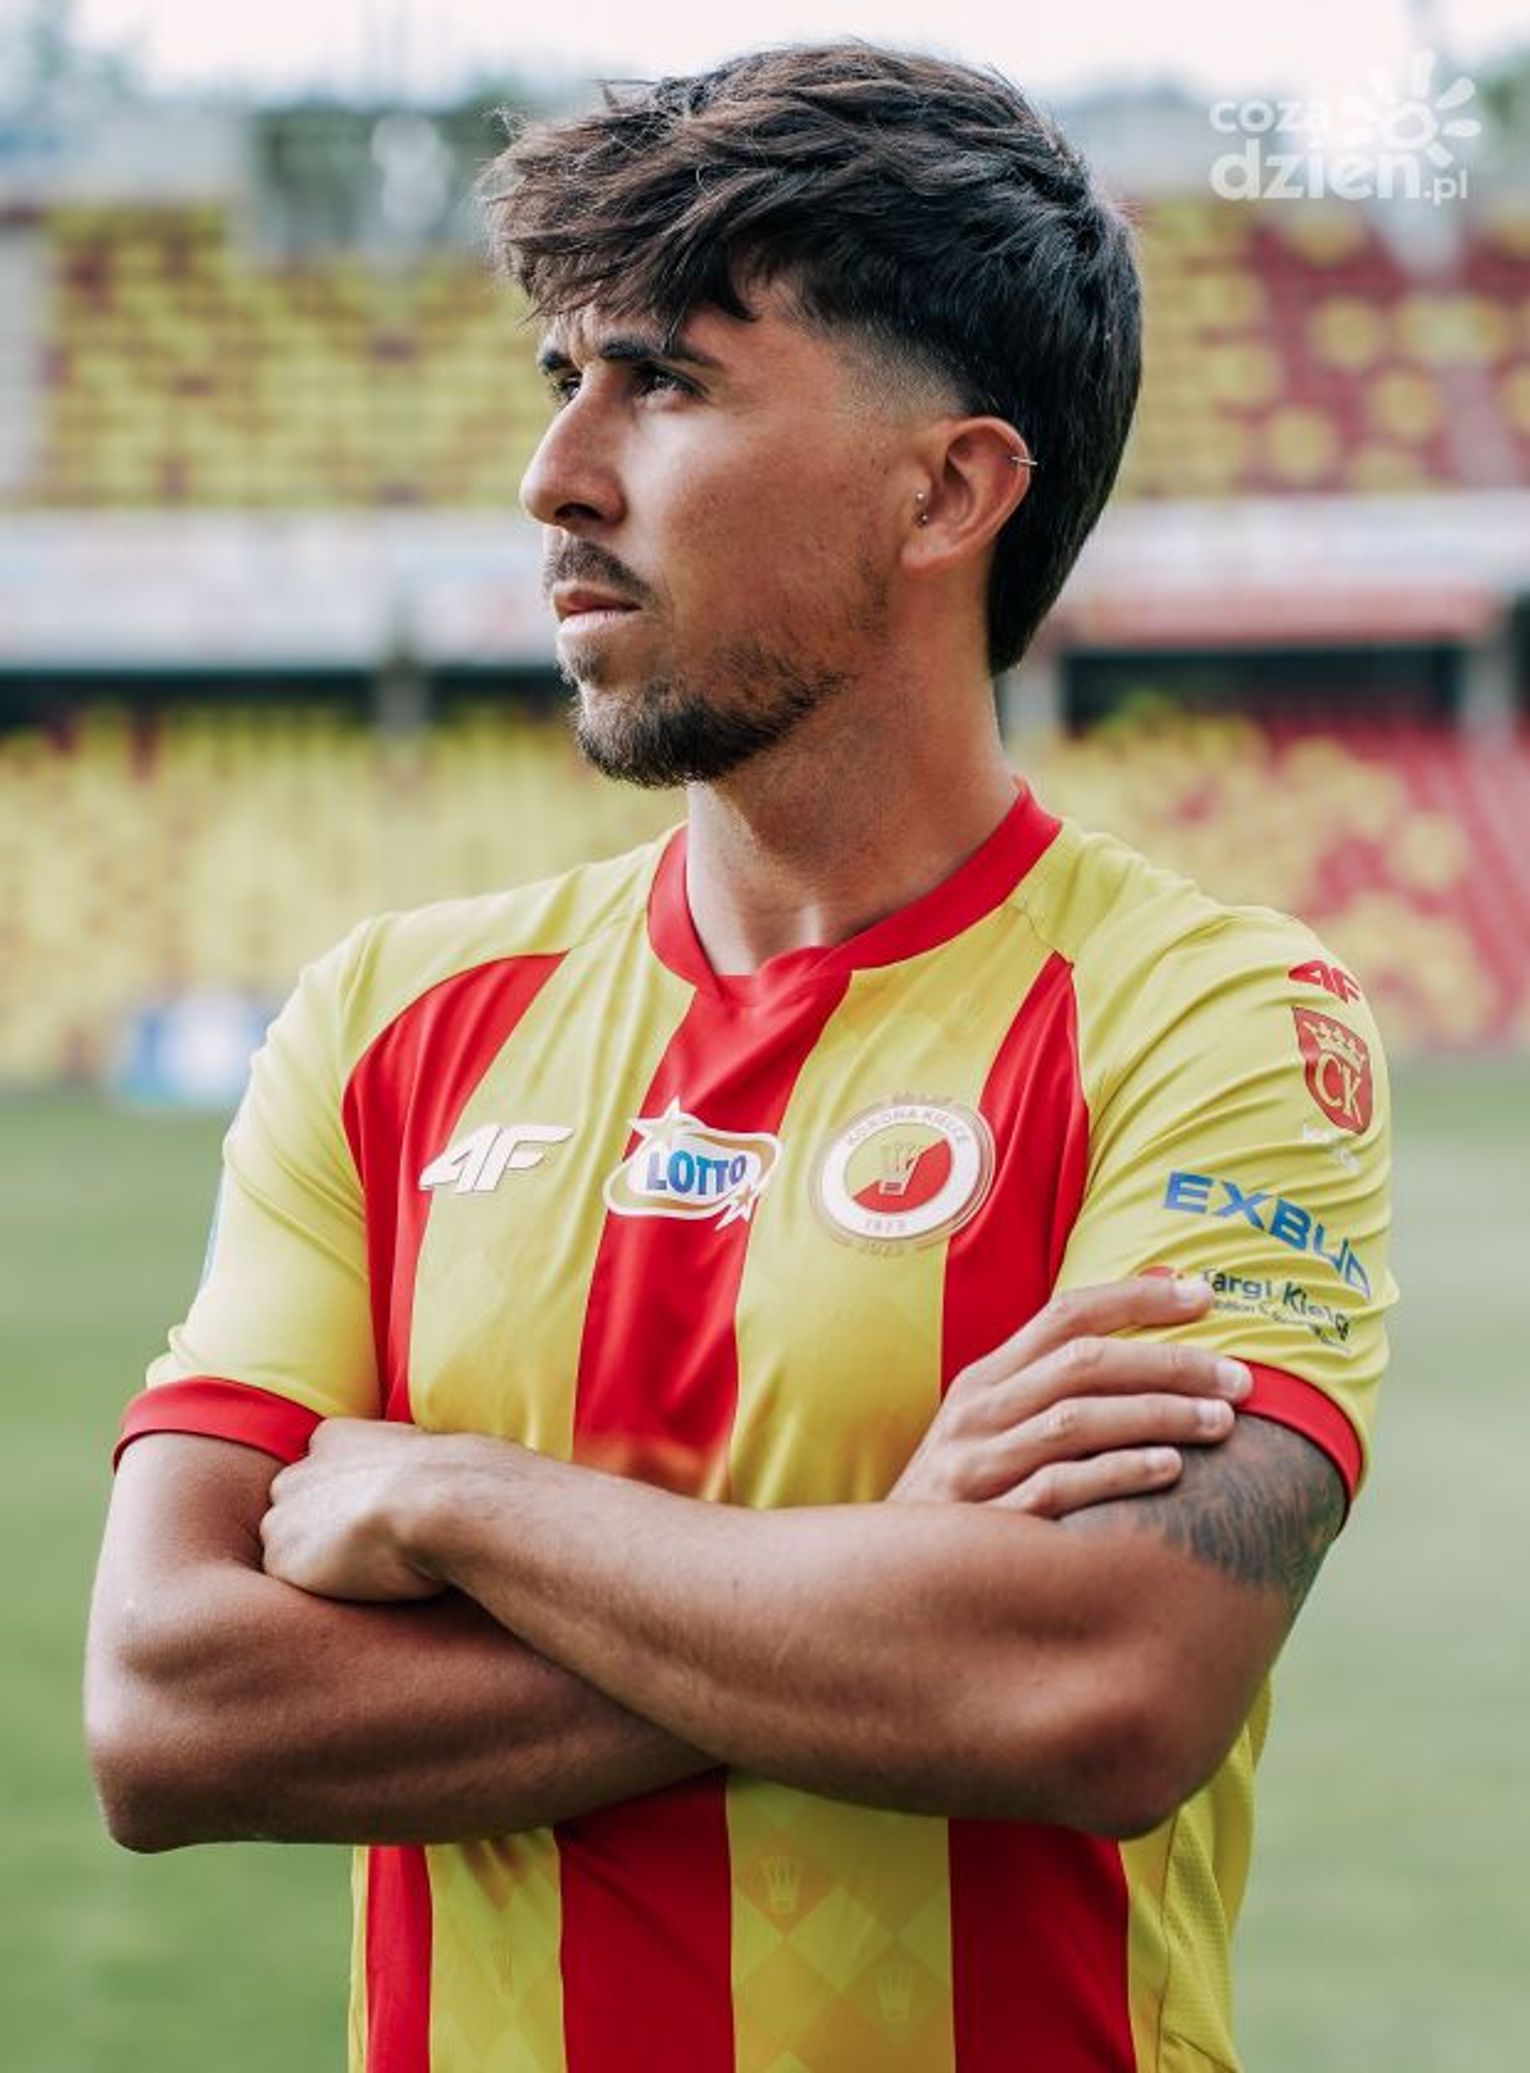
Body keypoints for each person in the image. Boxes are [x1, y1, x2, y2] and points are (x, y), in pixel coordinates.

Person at [85, 41, 1394, 2073]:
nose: (557, 473)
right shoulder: (390, 1020)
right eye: (561, 378)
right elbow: (169, 1710)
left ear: (947, 489)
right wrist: (892, 1583)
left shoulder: (1211, 1018)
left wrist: (459, 1502)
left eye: (666, 383)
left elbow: (1098, 1692)